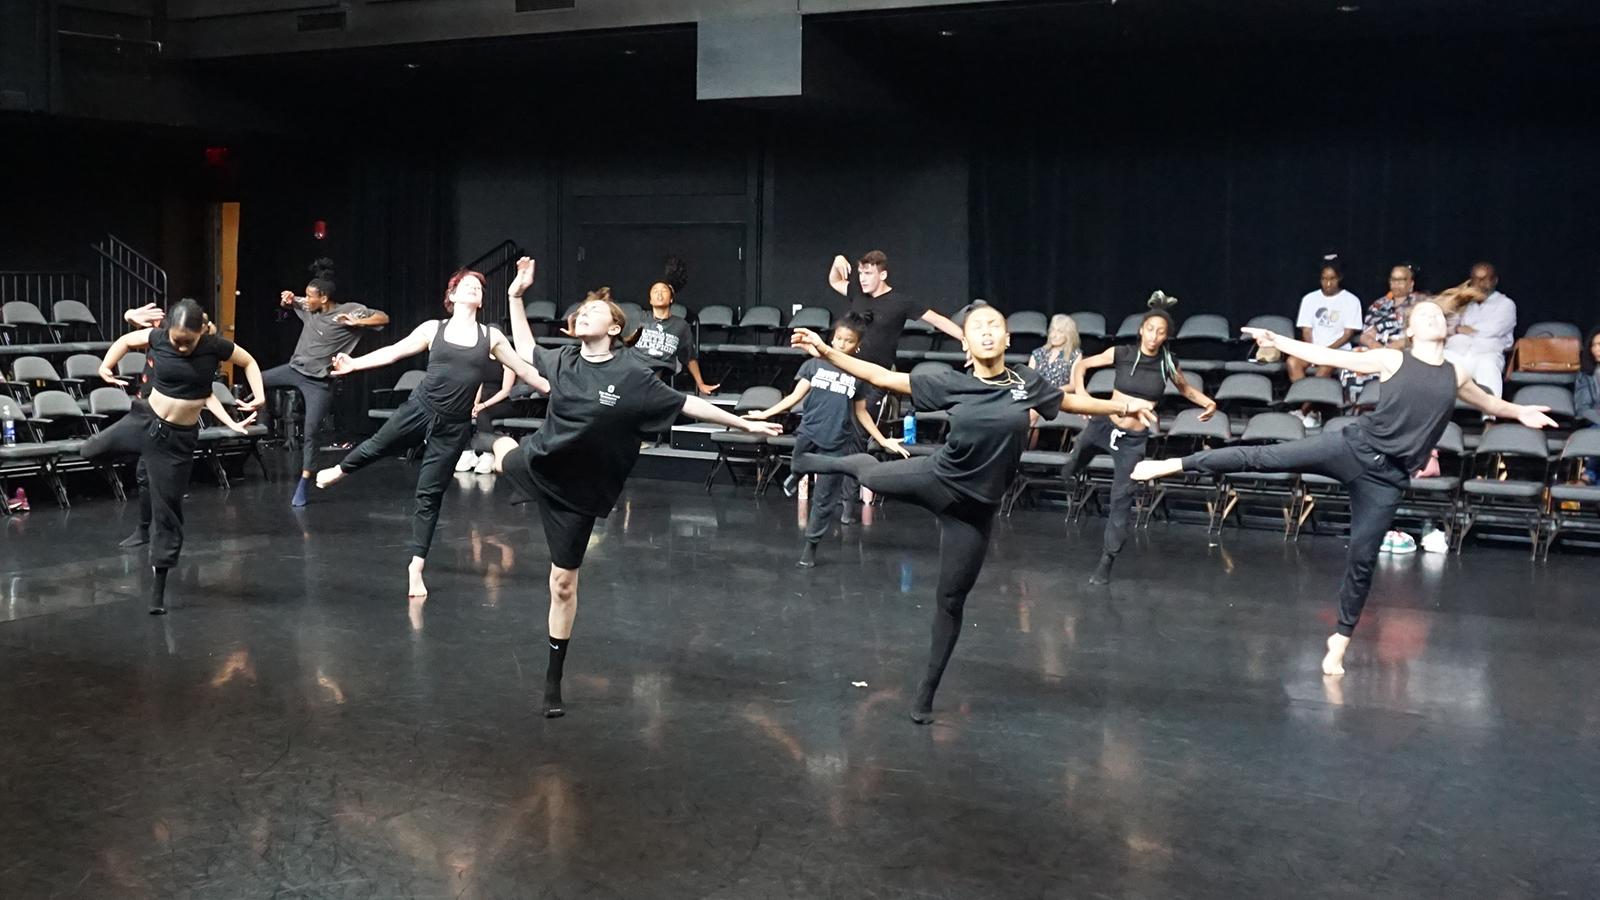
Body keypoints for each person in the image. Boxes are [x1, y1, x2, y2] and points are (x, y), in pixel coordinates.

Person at [1132, 288, 1558, 676]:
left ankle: (1339, 641)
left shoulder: (1457, 373)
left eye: (1436, 315)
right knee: (1264, 456)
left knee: (1362, 557)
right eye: (1422, 315)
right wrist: (1279, 342)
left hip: (1387, 479)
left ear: (1445, 327)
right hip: (1350, 447)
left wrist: (1520, 413)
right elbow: (1331, 358)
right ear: (1409, 328)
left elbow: (1488, 401)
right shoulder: (1392, 359)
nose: (1430, 318)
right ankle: (1170, 464)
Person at [788, 305, 1155, 724]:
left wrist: (1119, 409)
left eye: (994, 326)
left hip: (974, 512)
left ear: (1007, 339)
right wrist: (825, 352)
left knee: (950, 601)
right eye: (977, 328)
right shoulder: (950, 384)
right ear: (964, 343)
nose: (986, 332)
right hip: (936, 478)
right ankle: (816, 463)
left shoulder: (1026, 382)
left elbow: (1070, 400)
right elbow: (881, 377)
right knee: (870, 475)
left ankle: (925, 695)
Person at [496, 257, 781, 718]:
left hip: (580, 494)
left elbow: (688, 403)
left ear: (615, 327)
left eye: (595, 311)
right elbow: (527, 345)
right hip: (538, 464)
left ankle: (553, 681)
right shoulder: (563, 358)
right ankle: (497, 447)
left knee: (563, 584)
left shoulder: (632, 375)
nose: (583, 313)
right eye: (581, 311)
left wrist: (740, 421)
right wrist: (514, 295)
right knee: (503, 448)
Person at [314, 269, 550, 598]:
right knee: (377, 446)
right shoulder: (433, 329)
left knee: (429, 495)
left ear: (481, 300)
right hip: (419, 409)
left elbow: (525, 370)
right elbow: (394, 351)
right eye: (465, 286)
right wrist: (354, 365)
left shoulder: (491, 337)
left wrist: (555, 388)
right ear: (451, 297)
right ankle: (341, 470)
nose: (473, 289)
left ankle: (416, 566)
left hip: (453, 427)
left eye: (478, 288)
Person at [83, 298, 266, 614]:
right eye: (176, 340)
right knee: (89, 450)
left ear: (200, 334)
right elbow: (127, 340)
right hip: (143, 421)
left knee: (167, 517)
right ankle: (139, 472)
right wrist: (105, 366)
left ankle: (157, 594)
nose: (181, 347)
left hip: (176, 441)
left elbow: (248, 362)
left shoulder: (214, 347)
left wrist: (259, 396)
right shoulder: (157, 337)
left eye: (188, 342)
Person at [1064, 308, 1218, 585]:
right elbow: (1082, 365)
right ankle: (1072, 467)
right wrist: (1082, 395)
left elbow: (1185, 388)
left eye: (1160, 332)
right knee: (1076, 459)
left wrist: (1209, 402)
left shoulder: (1167, 362)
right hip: (1103, 426)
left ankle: (1106, 562)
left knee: (1121, 500)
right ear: (1141, 330)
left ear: (1165, 336)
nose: (1154, 336)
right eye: (1150, 329)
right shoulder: (1121, 353)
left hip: (1132, 441)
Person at [744, 312, 908, 569]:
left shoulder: (858, 375)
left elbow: (861, 412)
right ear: (831, 338)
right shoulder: (813, 364)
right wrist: (765, 413)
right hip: (808, 433)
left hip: (836, 441)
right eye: (838, 339)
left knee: (824, 498)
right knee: (798, 463)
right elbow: (794, 397)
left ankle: (811, 545)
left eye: (848, 341)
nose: (841, 344)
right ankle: (796, 475)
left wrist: (883, 440)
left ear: (857, 345)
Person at [267, 259, 390, 506]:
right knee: (256, 380)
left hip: (319, 383)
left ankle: (303, 484)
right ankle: (246, 418)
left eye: (310, 296)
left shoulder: (348, 310)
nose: (306, 299)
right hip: (294, 369)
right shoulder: (309, 308)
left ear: (323, 298)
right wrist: (287, 299)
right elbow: (290, 303)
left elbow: (383, 317)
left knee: (311, 431)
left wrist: (357, 322)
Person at [1291, 258, 1362, 427]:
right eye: (1324, 279)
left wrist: (1326, 352)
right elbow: (1306, 330)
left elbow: (1348, 334)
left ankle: (1304, 411)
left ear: (1339, 278)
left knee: (1325, 366)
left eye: (1332, 279)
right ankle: (1313, 410)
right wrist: (1314, 351)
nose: (1328, 283)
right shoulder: (1310, 299)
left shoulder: (1351, 301)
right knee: (1292, 362)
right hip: (1313, 349)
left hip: (1338, 350)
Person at [1342, 264, 1420, 400]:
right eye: (1393, 280)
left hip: (1406, 350)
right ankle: (1357, 408)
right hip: (1378, 350)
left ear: (1411, 283)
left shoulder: (1420, 304)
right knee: (1353, 359)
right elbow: (1364, 335)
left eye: (1401, 280)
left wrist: (1400, 344)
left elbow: (1424, 333)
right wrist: (1374, 345)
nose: (1396, 284)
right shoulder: (1378, 305)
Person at [1444, 262, 1517, 397]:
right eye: (1476, 279)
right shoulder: (1465, 303)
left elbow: (1493, 330)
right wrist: (1459, 325)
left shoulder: (1506, 304)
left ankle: (1489, 416)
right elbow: (1450, 327)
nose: (1479, 283)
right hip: (1459, 352)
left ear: (1495, 280)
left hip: (1487, 353)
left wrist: (1465, 330)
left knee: (1488, 366)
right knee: (1439, 361)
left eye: (1484, 279)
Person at [633, 281, 718, 395]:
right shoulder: (638, 318)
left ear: (671, 299)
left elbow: (689, 356)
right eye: (655, 291)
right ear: (650, 300)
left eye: (663, 290)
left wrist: (700, 383)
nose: (659, 294)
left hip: (657, 373)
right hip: (633, 371)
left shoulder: (680, 325)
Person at [457, 356, 516, 476]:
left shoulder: (507, 360)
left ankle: (488, 454)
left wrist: (483, 405)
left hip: (501, 402)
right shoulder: (483, 360)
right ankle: (468, 451)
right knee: (463, 410)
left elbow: (506, 391)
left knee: (483, 413)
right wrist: (474, 404)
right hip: (484, 401)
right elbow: (480, 385)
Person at [1027, 314, 1081, 390]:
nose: (1053, 335)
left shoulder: (1075, 355)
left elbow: (1073, 386)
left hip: (1059, 397)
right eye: (1052, 330)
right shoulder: (1037, 353)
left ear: (1069, 335)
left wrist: (1051, 393)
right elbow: (1028, 381)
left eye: (1060, 331)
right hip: (1036, 396)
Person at [1576, 326, 1600, 484]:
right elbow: (1583, 408)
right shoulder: (1585, 375)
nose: (1598, 349)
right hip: (1595, 422)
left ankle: (1589, 476)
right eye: (1595, 345)